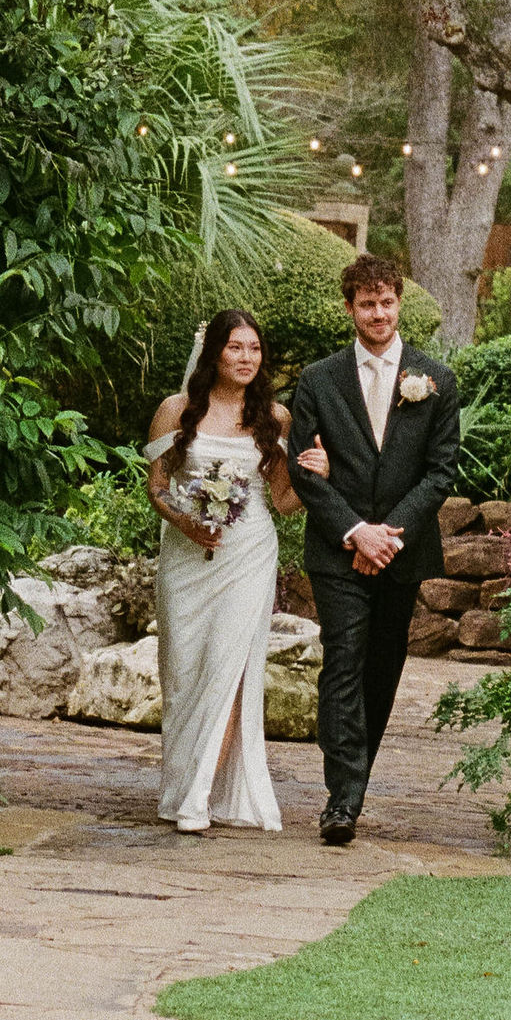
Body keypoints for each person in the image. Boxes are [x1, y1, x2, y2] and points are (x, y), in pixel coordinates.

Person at [289, 251, 460, 846]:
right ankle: (343, 798)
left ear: (399, 304)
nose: (379, 312)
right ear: (350, 309)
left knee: (382, 668)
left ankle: (353, 784)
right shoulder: (317, 380)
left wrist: (386, 536)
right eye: (368, 303)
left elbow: (440, 474)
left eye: (387, 302)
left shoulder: (435, 379)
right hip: (337, 550)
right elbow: (304, 470)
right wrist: (355, 531)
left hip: (402, 550)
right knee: (343, 661)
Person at [144, 308, 304, 834]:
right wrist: (186, 521)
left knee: (231, 665)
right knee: (184, 669)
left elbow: (281, 500)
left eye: (254, 349)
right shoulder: (177, 409)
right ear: (214, 353)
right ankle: (181, 783)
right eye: (236, 348)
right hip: (186, 558)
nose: (246, 358)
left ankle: (200, 795)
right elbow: (157, 487)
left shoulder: (275, 418)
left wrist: (313, 476)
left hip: (249, 552)